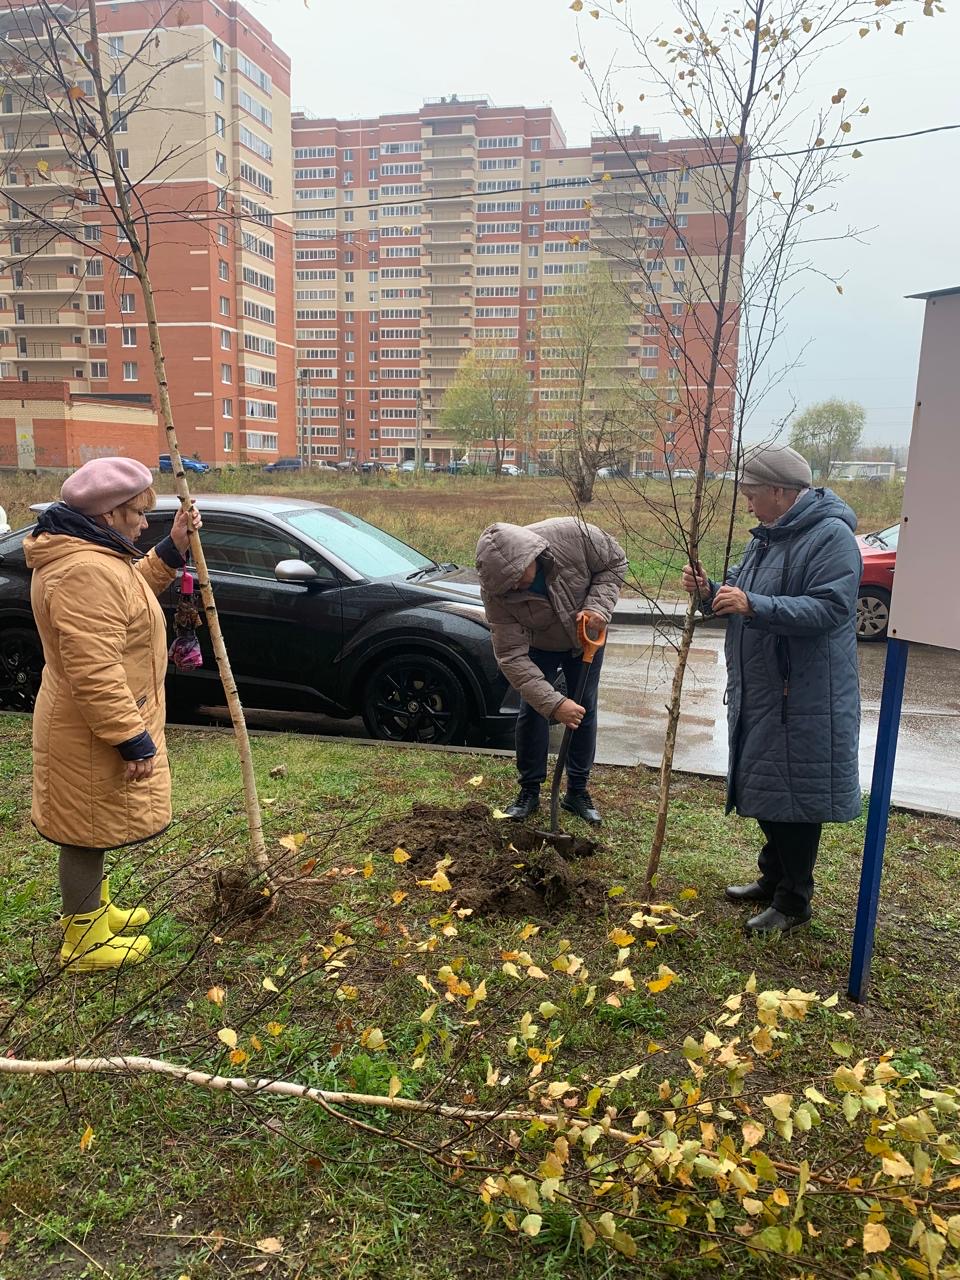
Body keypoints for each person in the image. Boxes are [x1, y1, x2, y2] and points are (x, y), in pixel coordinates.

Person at [25, 457, 201, 972]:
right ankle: (83, 942)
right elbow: (94, 668)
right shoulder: (84, 570)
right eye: (138, 514)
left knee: (94, 820)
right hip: (86, 728)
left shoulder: (96, 557)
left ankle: (94, 913)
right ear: (108, 515)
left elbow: (132, 589)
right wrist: (132, 738)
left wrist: (172, 549)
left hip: (84, 725)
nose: (144, 523)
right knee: (83, 829)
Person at [681, 443, 862, 935]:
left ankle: (793, 901)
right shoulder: (765, 538)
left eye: (752, 492)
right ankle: (773, 877)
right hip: (765, 690)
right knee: (767, 788)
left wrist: (755, 604)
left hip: (805, 697)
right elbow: (736, 597)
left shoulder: (831, 537)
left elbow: (831, 609)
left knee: (795, 799)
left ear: (781, 492)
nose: (747, 502)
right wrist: (709, 591)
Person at [476, 517, 627, 826]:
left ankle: (577, 791)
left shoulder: (573, 534)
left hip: (586, 634)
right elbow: (510, 656)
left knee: (584, 707)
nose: (516, 588)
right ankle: (529, 792)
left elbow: (614, 562)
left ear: (530, 557)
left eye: (517, 579)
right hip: (537, 642)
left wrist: (598, 607)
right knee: (533, 709)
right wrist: (555, 705)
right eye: (508, 587)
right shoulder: (496, 591)